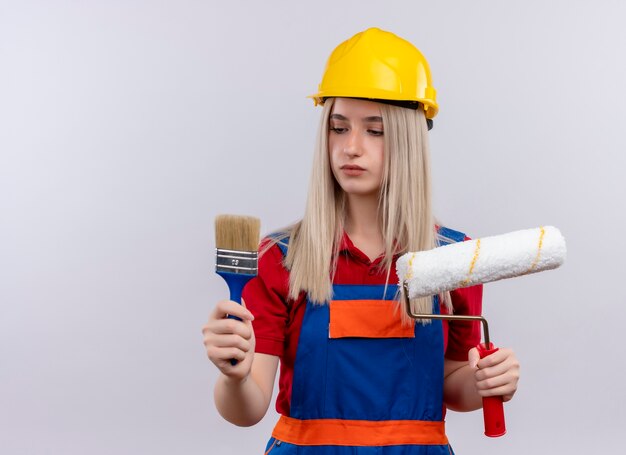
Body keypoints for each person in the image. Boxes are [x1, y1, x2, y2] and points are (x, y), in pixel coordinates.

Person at [203, 27, 520, 454]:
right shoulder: (282, 259)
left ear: (409, 138)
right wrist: (234, 375)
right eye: (338, 128)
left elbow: (451, 387)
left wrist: (486, 382)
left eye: (375, 130)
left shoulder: (453, 259)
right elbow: (247, 409)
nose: (350, 148)